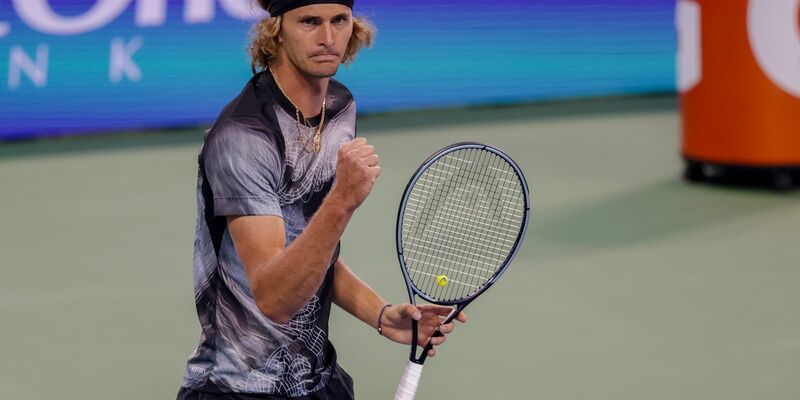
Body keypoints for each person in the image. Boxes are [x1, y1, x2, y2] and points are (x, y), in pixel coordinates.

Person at [177, 1, 466, 399]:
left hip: (317, 382)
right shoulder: (243, 137)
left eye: (339, 21)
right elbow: (274, 298)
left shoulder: (339, 108)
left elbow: (311, 251)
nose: (328, 38)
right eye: (310, 22)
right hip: (236, 388)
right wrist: (342, 200)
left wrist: (381, 315)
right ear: (276, 30)